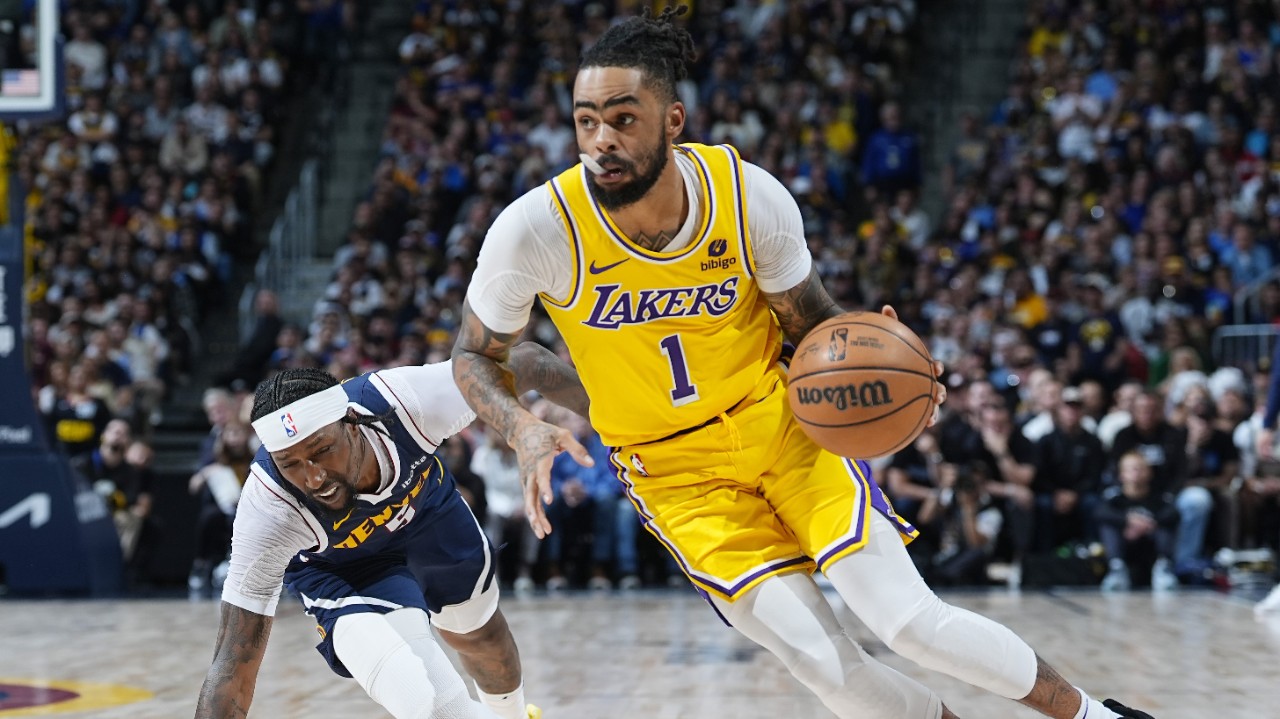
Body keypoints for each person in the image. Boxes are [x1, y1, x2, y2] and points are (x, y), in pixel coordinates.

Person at [451, 8, 1153, 719]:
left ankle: (1096, 716)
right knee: (828, 666)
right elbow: (477, 353)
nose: (601, 141)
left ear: (673, 121)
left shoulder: (747, 197)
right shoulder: (535, 229)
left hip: (783, 427)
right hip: (675, 477)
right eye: (586, 121)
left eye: (624, 119)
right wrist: (518, 426)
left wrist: (883, 356)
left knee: (908, 620)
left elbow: (811, 324)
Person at [194, 342, 587, 719]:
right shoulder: (268, 507)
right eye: (289, 463)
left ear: (351, 423)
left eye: (321, 450)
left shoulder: (404, 400)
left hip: (428, 516)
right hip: (341, 571)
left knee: (479, 633)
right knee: (428, 702)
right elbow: (232, 664)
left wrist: (629, 426)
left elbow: (530, 361)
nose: (312, 477)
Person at [1096, 452, 1179, 592]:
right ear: (1121, 474)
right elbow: (1100, 512)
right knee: (1108, 526)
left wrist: (1149, 524)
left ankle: (1163, 568)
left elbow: (1173, 513)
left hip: (1152, 544)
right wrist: (1127, 521)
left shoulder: (1159, 496)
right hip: (1124, 544)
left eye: (1140, 468)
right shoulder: (1114, 497)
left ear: (1150, 473)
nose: (1136, 473)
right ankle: (1116, 569)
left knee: (1166, 526)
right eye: (1130, 469)